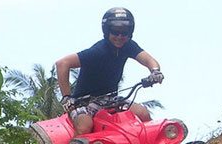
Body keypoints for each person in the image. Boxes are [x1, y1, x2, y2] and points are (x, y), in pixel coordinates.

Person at [55, 7, 164, 135]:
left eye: (124, 33)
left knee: (143, 114)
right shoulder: (98, 51)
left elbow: (148, 59)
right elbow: (62, 63)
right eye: (115, 32)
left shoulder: (128, 46)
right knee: (85, 127)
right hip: (84, 102)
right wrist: (67, 98)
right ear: (107, 32)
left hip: (111, 100)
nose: (120, 36)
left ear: (130, 33)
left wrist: (155, 72)